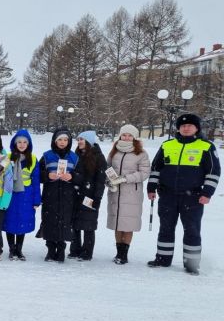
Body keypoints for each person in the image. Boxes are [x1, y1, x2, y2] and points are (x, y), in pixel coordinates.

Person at [147, 113, 220, 275]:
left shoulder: (206, 146)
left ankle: (192, 264)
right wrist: (151, 188)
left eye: (190, 126)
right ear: (178, 128)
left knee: (192, 230)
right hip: (167, 195)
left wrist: (207, 193)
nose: (186, 128)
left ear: (196, 128)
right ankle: (163, 259)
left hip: (193, 197)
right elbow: (156, 169)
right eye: (183, 126)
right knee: (165, 228)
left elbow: (213, 172)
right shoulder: (167, 145)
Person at [106, 124, 151, 264]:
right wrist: (108, 181)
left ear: (134, 137)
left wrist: (125, 178)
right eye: (124, 135)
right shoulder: (114, 151)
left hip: (131, 193)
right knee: (117, 223)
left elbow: (144, 173)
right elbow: (107, 168)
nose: (126, 137)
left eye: (130, 135)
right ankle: (118, 252)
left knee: (128, 224)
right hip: (115, 193)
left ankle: (124, 254)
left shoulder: (141, 153)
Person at [39, 128, 78, 263]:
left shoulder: (74, 157)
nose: (62, 142)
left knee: (64, 223)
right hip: (51, 195)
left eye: (65, 140)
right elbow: (38, 175)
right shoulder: (46, 156)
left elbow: (81, 176)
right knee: (49, 222)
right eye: (60, 139)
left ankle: (61, 250)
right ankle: (50, 250)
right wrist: (47, 175)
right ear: (54, 141)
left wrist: (71, 176)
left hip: (68, 196)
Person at [2, 129, 41, 261]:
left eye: (25, 142)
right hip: (10, 195)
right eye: (19, 142)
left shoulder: (34, 159)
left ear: (28, 144)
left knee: (22, 222)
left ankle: (19, 249)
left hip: (26, 196)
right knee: (10, 222)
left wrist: (37, 200)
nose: (22, 144)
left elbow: (36, 181)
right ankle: (11, 249)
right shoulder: (7, 157)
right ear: (15, 143)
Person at [69, 131, 107, 261]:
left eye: (82, 139)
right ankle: (75, 249)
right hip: (76, 194)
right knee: (75, 223)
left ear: (89, 142)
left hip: (90, 196)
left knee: (88, 225)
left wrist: (97, 197)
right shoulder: (76, 154)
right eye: (78, 139)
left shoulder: (98, 157)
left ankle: (87, 251)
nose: (79, 141)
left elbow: (100, 180)